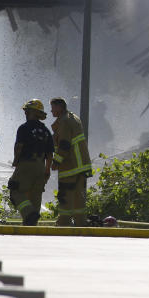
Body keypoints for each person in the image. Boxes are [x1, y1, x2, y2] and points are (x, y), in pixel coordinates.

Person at [9, 99, 54, 226]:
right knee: (35, 196)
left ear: (33, 112)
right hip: (41, 166)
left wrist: (16, 161)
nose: (25, 113)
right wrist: (47, 169)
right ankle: (31, 225)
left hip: (26, 163)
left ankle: (29, 213)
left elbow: (19, 146)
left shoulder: (24, 128)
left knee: (15, 190)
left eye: (27, 111)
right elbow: (50, 153)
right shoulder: (46, 131)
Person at [50, 97, 92, 226]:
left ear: (59, 107)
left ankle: (63, 222)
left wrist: (56, 162)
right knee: (79, 198)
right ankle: (81, 222)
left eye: (53, 108)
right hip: (81, 166)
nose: (51, 111)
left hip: (70, 166)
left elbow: (64, 144)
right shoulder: (73, 117)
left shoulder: (64, 121)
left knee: (65, 196)